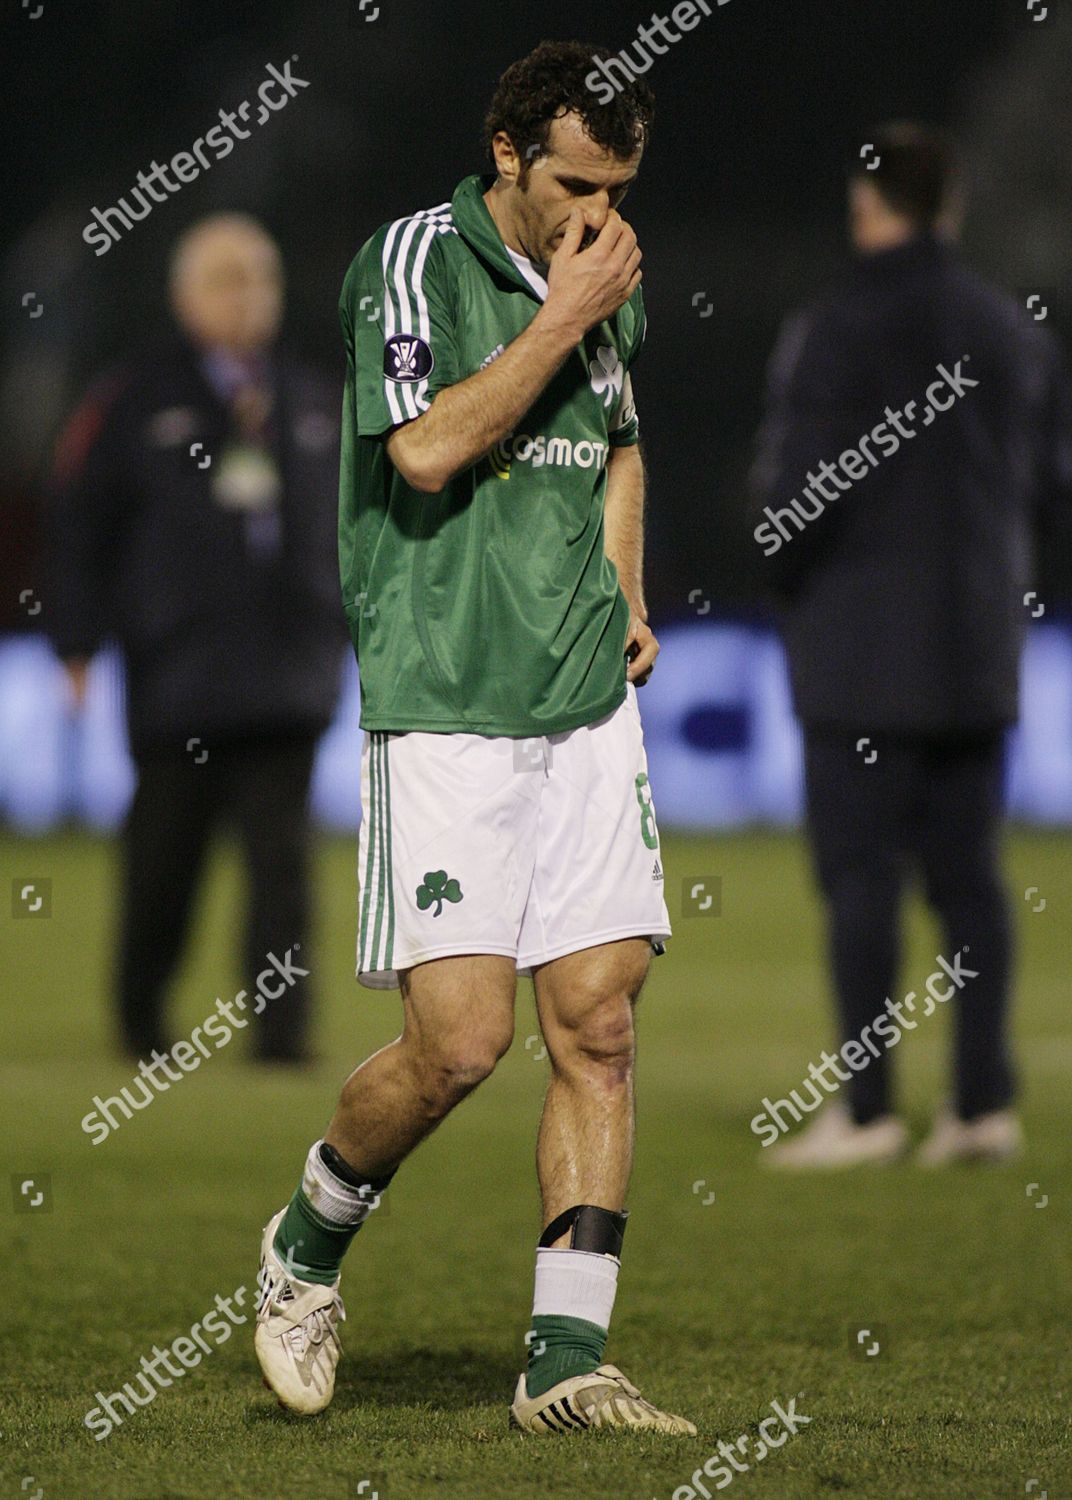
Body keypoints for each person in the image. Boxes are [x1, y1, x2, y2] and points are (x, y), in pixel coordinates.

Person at [253, 42, 694, 1435]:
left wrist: (625, 576)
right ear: (506, 152)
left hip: (582, 702)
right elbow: (429, 453)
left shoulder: (602, 275)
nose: (597, 219)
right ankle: (304, 1248)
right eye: (573, 184)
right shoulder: (407, 264)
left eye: (617, 191)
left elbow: (622, 438)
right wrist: (564, 315)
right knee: (455, 1046)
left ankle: (565, 1367)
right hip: (445, 696)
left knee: (600, 1027)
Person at [750, 123, 1072, 1168]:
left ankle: (869, 1109)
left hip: (856, 653)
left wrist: (788, 584)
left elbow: (793, 499)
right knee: (970, 877)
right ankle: (979, 1107)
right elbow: (1046, 494)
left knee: (859, 878)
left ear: (864, 204)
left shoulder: (834, 325)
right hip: (976, 648)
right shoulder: (1012, 330)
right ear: (952, 204)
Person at [46, 214, 345, 1064]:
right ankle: (141, 1024)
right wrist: (75, 640)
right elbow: (80, 528)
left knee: (282, 875)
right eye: (228, 277)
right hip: (178, 674)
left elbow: (359, 534)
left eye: (262, 276)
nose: (249, 294)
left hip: (288, 672)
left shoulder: (317, 397)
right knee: (163, 867)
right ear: (185, 295)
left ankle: (282, 1042)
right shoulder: (134, 398)